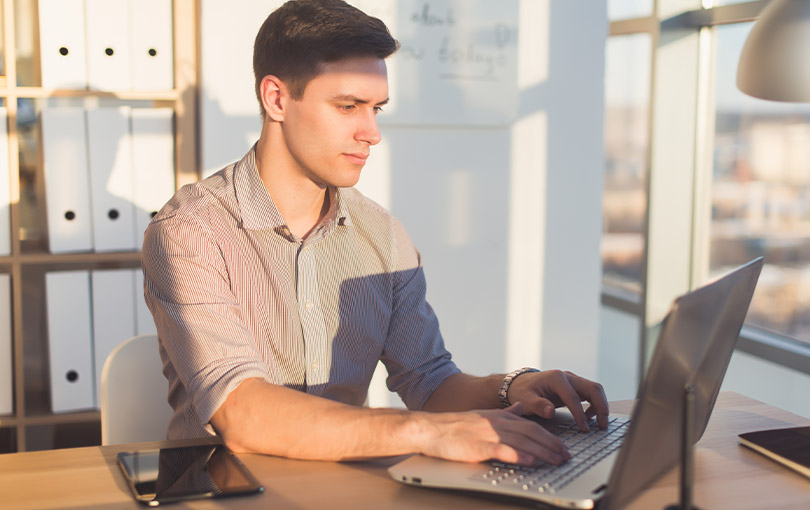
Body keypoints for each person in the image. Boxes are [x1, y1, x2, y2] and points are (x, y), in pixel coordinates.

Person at [143, 0, 608, 468]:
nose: (372, 132)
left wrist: (510, 387)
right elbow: (241, 414)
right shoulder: (188, 232)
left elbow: (428, 381)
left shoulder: (382, 234)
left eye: (376, 109)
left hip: (345, 487)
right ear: (277, 99)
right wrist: (426, 432)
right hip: (225, 488)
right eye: (348, 106)